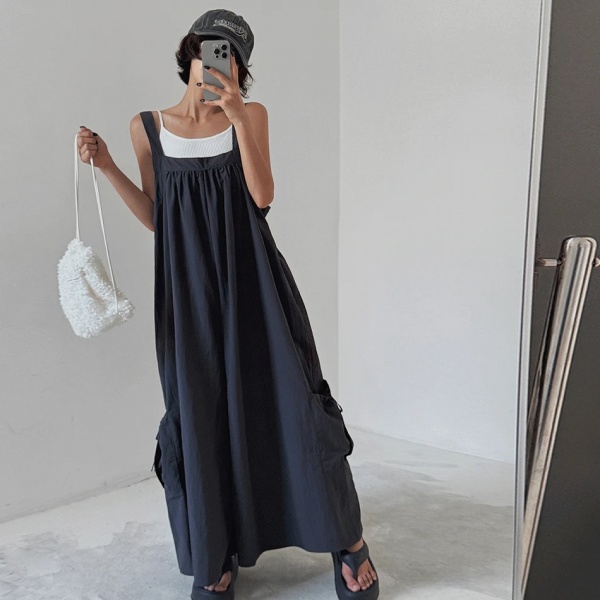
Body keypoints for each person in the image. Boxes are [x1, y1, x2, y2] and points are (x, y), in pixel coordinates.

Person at [76, 9, 379, 600]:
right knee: (201, 413)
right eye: (207, 50)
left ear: (240, 68)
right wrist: (108, 164)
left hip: (255, 284)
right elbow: (159, 218)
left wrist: (238, 117)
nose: (215, 64)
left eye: (230, 56)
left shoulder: (251, 115)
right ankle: (215, 554)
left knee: (294, 403)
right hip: (186, 293)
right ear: (188, 55)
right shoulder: (146, 128)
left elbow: (262, 197)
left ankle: (347, 540)